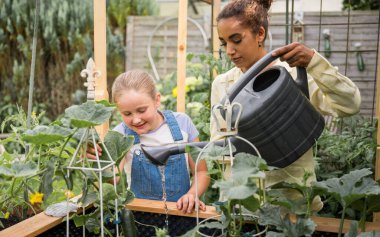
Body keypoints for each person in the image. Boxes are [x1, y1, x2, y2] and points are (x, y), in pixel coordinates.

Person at [210, 0, 361, 211]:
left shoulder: (293, 75)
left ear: (260, 34)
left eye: (236, 40)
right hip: (242, 208)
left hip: (293, 206)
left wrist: (314, 62)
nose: (229, 51)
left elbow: (350, 104)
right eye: (224, 43)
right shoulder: (223, 85)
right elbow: (218, 145)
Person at [88, 69, 210, 214]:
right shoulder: (121, 134)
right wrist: (97, 159)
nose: (136, 119)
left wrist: (192, 195)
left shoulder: (182, 124)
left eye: (141, 110)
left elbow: (201, 172)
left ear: (157, 100)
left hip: (182, 212)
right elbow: (113, 179)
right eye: (127, 114)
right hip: (140, 216)